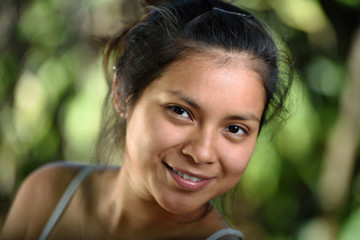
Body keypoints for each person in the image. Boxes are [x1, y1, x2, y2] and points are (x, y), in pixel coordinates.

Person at [1, 0, 293, 239]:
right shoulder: (49, 194)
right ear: (122, 92)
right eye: (180, 111)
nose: (202, 152)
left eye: (234, 128)